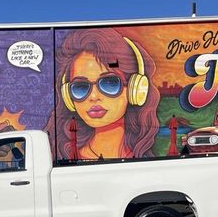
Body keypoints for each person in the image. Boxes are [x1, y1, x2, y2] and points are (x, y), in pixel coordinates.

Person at [44, 28, 160, 160]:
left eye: (109, 83)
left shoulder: (144, 156)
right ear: (68, 97)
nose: (93, 97)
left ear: (135, 88)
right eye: (81, 87)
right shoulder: (63, 156)